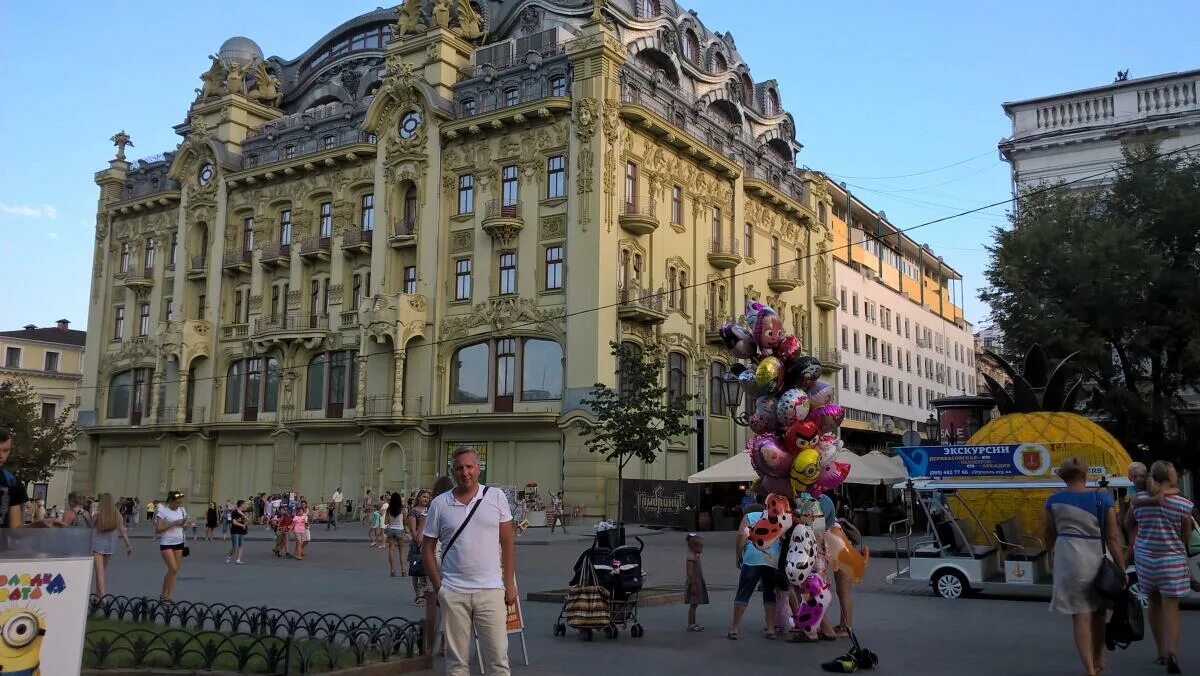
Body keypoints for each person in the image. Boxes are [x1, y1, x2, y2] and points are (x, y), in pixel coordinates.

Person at [422, 448, 516, 676]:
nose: (465, 472)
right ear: (453, 472)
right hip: (454, 592)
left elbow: (508, 542)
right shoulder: (440, 504)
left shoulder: (495, 497)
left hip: (490, 590)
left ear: (478, 468)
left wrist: (509, 584)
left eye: (469, 467)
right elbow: (427, 548)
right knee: (456, 664)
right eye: (459, 468)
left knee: (498, 661)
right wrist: (439, 588)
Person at [1044, 456, 1124, 676]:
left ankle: (1089, 668)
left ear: (1064, 477)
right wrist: (1121, 566)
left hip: (1069, 558)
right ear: (1085, 475)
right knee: (1099, 612)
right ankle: (1098, 659)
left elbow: (1049, 534)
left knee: (1080, 614)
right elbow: (1114, 537)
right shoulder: (1103, 499)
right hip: (1097, 559)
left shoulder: (1053, 501)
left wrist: (1051, 553)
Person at [1131, 460, 1193, 673]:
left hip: (1146, 560)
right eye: (1175, 472)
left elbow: (1128, 523)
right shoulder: (1184, 504)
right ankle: (1173, 652)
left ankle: (1160, 652)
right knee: (1171, 609)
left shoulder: (1139, 500)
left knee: (1154, 606)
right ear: (1169, 476)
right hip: (1171, 560)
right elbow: (1185, 536)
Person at [727, 501, 779, 640]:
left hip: (752, 559)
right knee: (769, 593)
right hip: (771, 560)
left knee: (744, 591)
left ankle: (734, 628)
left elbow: (742, 536)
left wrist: (739, 555)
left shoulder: (749, 517)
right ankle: (771, 628)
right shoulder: (776, 517)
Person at [91, 493, 133, 598]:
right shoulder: (117, 515)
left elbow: (91, 527)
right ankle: (99, 595)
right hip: (110, 547)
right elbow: (123, 531)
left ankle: (102, 597)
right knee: (101, 572)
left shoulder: (97, 516)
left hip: (97, 547)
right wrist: (128, 545)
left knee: (99, 573)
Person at [155, 491, 191, 603]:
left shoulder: (182, 510)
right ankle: (163, 594)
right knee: (173, 568)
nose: (178, 505)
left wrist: (185, 524)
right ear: (170, 501)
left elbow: (185, 526)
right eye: (176, 503)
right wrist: (174, 523)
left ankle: (168, 596)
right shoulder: (163, 511)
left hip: (179, 542)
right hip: (167, 543)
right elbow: (158, 529)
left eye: (180, 502)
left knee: (175, 571)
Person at [408, 488, 433, 606]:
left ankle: (424, 592)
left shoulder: (431, 510)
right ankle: (418, 594)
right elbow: (413, 530)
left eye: (428, 497)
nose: (426, 499)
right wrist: (418, 541)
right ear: (418, 497)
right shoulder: (413, 511)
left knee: (426, 569)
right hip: (417, 545)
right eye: (424, 497)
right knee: (416, 570)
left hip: (428, 544)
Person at [684, 533, 709, 632]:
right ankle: (691, 624)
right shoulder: (691, 558)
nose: (702, 549)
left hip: (697, 582)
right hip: (694, 583)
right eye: (700, 547)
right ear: (693, 547)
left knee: (695, 604)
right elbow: (690, 573)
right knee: (693, 604)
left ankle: (693, 623)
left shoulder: (695, 556)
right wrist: (693, 585)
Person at [384, 492, 408, 577]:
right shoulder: (402, 509)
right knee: (401, 550)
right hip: (400, 530)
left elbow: (385, 522)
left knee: (391, 549)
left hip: (391, 530)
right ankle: (403, 570)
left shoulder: (389, 509)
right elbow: (405, 521)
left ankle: (393, 570)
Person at [226, 499, 248, 565]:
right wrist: (242, 525)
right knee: (235, 547)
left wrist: (244, 518)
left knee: (241, 545)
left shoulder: (243, 512)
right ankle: (229, 556)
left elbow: (247, 520)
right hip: (235, 531)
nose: (245, 505)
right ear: (241, 505)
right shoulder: (234, 512)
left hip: (242, 531)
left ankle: (238, 560)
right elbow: (234, 522)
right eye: (244, 504)